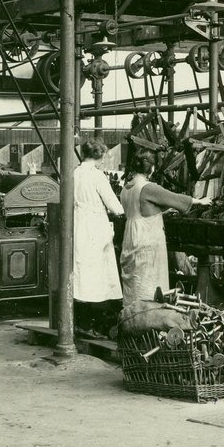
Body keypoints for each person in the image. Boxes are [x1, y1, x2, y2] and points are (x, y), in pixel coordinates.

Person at [119, 149, 210, 305]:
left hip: (131, 238)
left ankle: (133, 314)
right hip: (147, 240)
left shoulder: (126, 188)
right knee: (149, 282)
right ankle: (150, 316)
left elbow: (142, 210)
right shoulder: (147, 187)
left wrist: (163, 211)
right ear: (151, 168)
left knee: (135, 280)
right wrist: (200, 201)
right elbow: (173, 198)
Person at [74, 139, 125, 332]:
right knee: (99, 276)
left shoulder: (74, 173)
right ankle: (93, 323)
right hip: (95, 226)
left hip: (78, 224)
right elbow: (114, 205)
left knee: (82, 274)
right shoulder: (97, 176)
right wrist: (122, 211)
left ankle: (81, 322)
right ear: (100, 156)